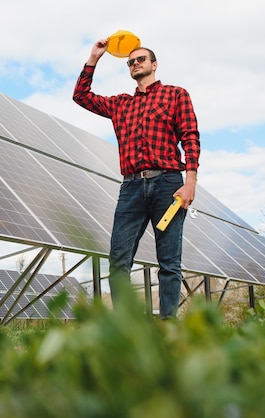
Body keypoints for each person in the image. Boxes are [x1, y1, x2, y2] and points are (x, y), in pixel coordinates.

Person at [73, 38, 200, 319]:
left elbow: (190, 136)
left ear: (154, 65)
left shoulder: (176, 95)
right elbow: (81, 96)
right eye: (130, 62)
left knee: (169, 262)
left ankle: (168, 325)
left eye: (140, 59)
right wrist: (94, 57)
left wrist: (190, 181)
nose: (135, 64)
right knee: (119, 259)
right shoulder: (121, 104)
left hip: (168, 184)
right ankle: (124, 327)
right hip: (130, 187)